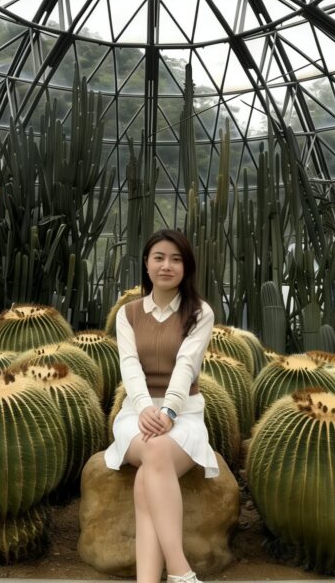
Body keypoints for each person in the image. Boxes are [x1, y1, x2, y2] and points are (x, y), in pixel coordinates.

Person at [104, 228, 216, 583]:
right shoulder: (128, 314)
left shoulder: (200, 312)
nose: (167, 265)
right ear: (146, 264)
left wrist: (168, 411)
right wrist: (143, 408)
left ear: (186, 267)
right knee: (154, 450)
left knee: (147, 477)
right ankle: (180, 570)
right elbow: (129, 366)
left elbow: (187, 364)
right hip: (135, 414)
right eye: (159, 258)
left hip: (185, 413)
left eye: (176, 259)